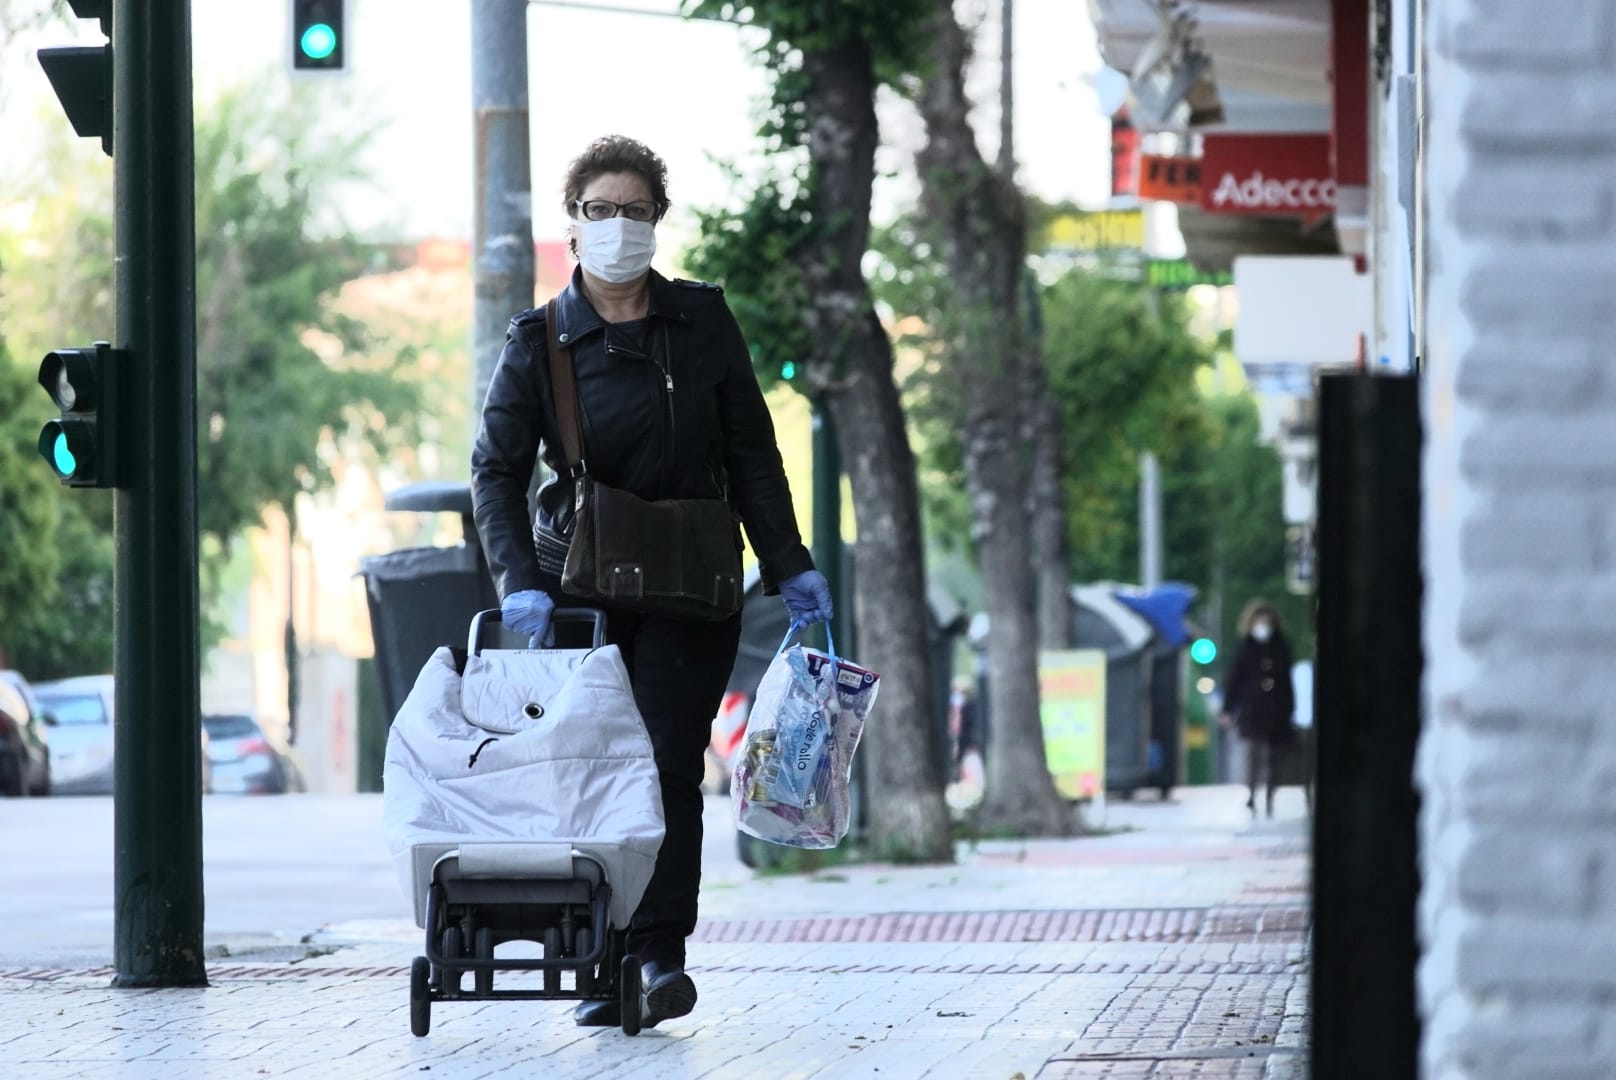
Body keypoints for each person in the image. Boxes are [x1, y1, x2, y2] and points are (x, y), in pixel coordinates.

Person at [470, 135, 832, 1028]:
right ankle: (600, 958)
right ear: (574, 225)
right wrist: (520, 579)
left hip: (691, 583)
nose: (619, 226)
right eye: (602, 210)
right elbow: (494, 471)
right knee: (591, 768)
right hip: (582, 593)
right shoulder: (539, 340)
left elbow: (752, 450)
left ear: (658, 223)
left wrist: (791, 563)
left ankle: (658, 955)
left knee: (669, 763)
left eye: (636, 210)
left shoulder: (702, 322)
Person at [1218, 599, 1301, 818]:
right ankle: (1253, 793)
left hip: (1277, 709)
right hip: (1252, 709)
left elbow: (1286, 680)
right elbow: (1234, 679)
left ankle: (1270, 794)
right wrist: (1228, 708)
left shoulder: (1281, 646)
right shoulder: (1245, 646)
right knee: (1253, 754)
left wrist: (1291, 708)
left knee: (1274, 756)